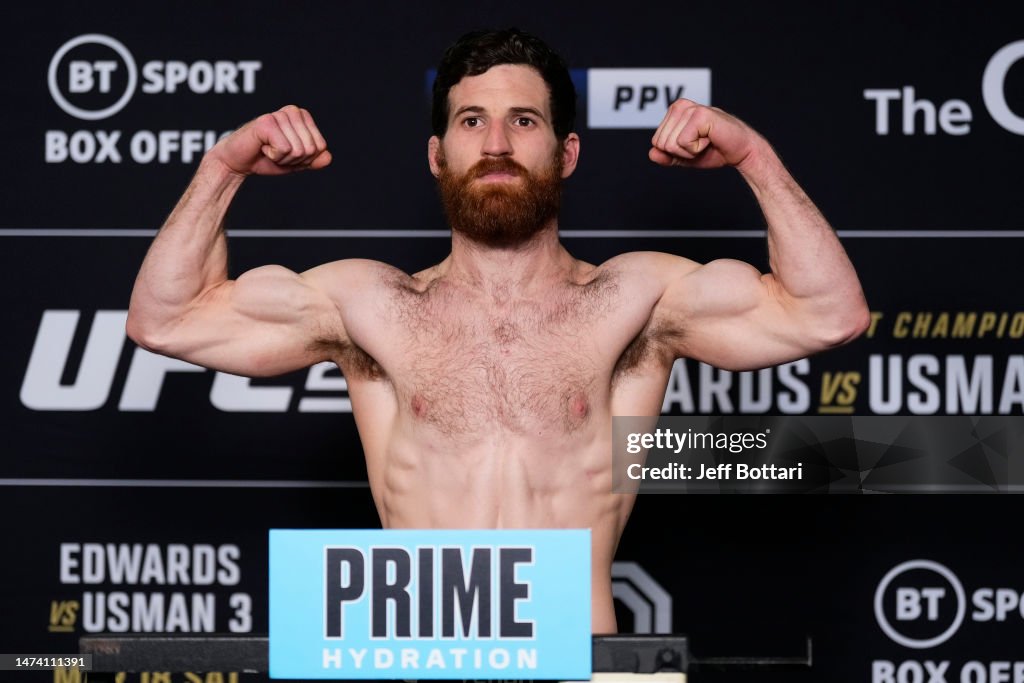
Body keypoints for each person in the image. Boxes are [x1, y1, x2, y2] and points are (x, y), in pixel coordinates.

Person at [126, 28, 869, 633]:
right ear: (437, 154)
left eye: (525, 120)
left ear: (566, 151)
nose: (496, 144)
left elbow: (828, 313)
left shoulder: (636, 299)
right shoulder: (371, 306)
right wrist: (224, 169)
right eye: (471, 121)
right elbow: (167, 318)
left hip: (580, 661)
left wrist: (754, 158)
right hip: (421, 659)